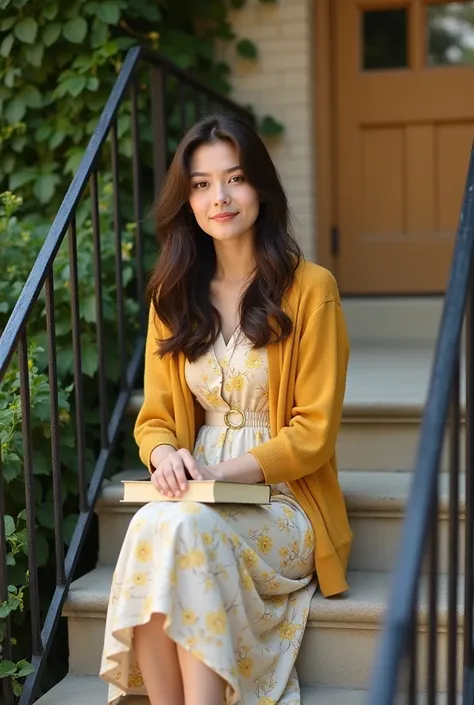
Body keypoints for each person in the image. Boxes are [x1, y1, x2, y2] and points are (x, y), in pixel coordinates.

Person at [100, 114, 352, 705]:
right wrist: (165, 458)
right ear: (186, 200)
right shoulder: (173, 294)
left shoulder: (311, 289)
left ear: (260, 186)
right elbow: (157, 417)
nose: (221, 197)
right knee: (158, 522)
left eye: (234, 178)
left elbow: (313, 433)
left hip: (285, 500)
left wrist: (215, 474)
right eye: (202, 184)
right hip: (192, 493)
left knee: (178, 527)